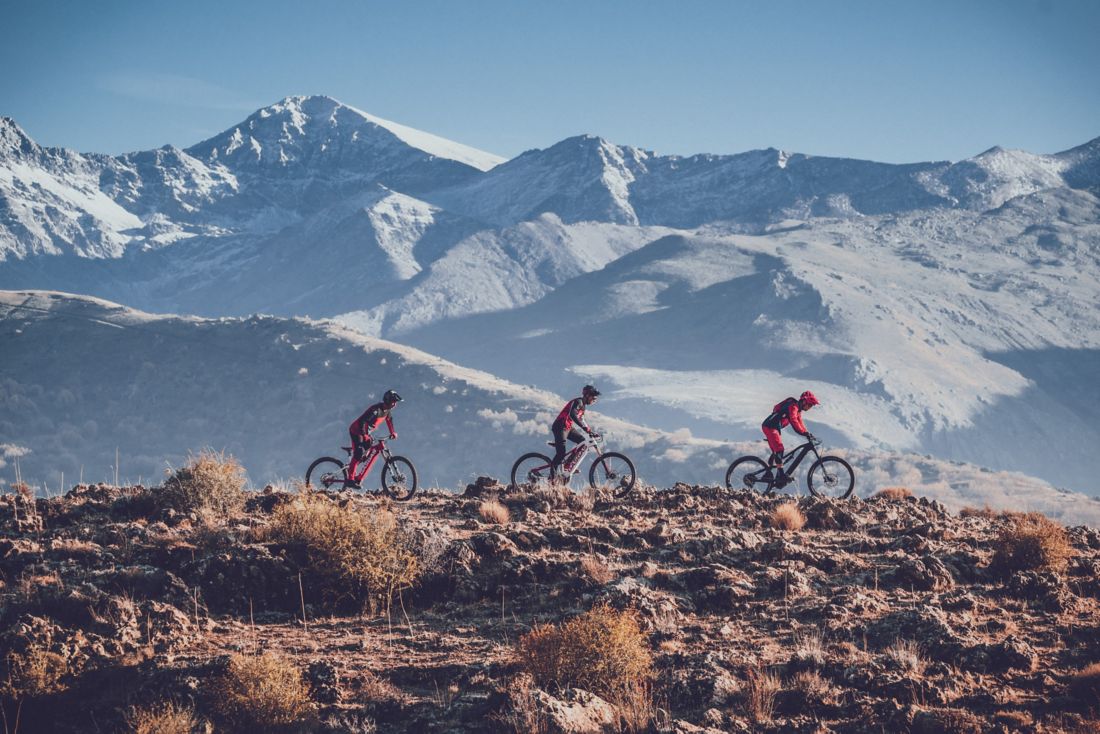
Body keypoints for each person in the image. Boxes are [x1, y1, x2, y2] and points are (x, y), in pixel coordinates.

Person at [761, 390, 820, 487]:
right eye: (810, 405)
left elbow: (800, 423)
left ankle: (768, 475)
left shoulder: (798, 411)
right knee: (779, 449)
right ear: (804, 401)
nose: (810, 407)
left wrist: (807, 433)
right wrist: (804, 433)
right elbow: (793, 421)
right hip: (770, 426)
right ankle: (781, 476)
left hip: (772, 427)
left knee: (776, 452)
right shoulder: (793, 406)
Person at [345, 389, 401, 487]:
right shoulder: (376, 410)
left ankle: (356, 474)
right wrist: (365, 435)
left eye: (395, 402)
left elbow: (389, 420)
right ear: (387, 401)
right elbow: (362, 422)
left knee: (366, 453)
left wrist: (392, 432)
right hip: (356, 430)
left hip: (365, 432)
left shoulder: (387, 411)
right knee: (359, 452)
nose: (395, 404)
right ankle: (350, 479)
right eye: (393, 402)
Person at [550, 385, 600, 481]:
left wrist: (590, 431)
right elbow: (572, 415)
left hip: (567, 427)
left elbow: (582, 420)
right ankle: (551, 478)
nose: (594, 400)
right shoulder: (578, 402)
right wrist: (585, 428)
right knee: (561, 454)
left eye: (595, 399)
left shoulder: (583, 407)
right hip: (560, 426)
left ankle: (568, 464)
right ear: (587, 395)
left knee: (583, 441)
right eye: (593, 397)